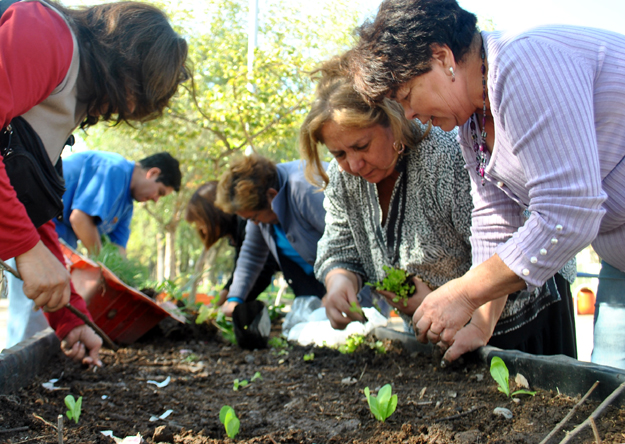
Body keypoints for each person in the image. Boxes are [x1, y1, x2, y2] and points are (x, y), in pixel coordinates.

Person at [349, 0, 625, 367]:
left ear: (442, 57)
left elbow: (568, 213)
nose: (410, 115)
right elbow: (495, 219)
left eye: (407, 96)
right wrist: (481, 322)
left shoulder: (525, 65)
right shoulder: (474, 124)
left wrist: (464, 292)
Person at [300, 56, 577, 363]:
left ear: (393, 121)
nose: (353, 164)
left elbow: (502, 242)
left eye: (362, 145)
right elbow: (341, 247)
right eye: (338, 153)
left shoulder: (446, 155)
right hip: (440, 331)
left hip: (520, 316)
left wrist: (464, 310)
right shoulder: (345, 178)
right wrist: (339, 283)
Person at [0, 0, 188, 365]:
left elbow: (26, 204)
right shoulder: (44, 35)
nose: (114, 114)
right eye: (128, 102)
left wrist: (70, 318)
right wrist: (27, 249)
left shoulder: (71, 102)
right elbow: (56, 225)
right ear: (125, 65)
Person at [5, 151, 182, 349]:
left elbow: (117, 253)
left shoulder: (127, 207)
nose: (156, 200)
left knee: (54, 303)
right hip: (34, 230)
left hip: (62, 244)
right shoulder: (114, 169)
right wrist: (103, 266)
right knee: (34, 307)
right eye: (160, 192)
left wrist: (136, 289)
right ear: (153, 173)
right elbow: (80, 219)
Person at [214, 154, 327, 319]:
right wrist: (235, 298)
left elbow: (348, 242)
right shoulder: (263, 211)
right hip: (313, 278)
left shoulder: (308, 189)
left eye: (254, 218)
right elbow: (252, 254)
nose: (254, 224)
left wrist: (338, 289)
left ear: (272, 196)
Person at [185, 182, 279, 307]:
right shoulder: (235, 233)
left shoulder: (246, 223)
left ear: (213, 215)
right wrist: (217, 303)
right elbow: (238, 272)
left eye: (201, 223)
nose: (202, 230)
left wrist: (233, 302)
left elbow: (260, 269)